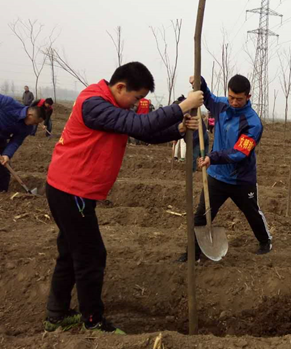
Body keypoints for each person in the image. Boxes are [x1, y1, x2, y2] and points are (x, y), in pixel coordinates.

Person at [43, 62, 204, 335]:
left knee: (71, 253)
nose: (137, 104)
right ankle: (93, 321)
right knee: (91, 256)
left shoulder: (110, 106)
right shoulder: (94, 103)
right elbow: (138, 123)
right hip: (71, 192)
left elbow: (141, 132)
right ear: (120, 87)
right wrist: (181, 106)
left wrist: (177, 128)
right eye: (136, 97)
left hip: (70, 189)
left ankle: (56, 315)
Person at [178, 74, 272, 262]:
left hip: (241, 179)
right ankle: (192, 255)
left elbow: (239, 153)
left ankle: (265, 241)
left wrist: (212, 157)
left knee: (251, 212)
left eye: (239, 99)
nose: (234, 102)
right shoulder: (221, 105)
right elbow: (208, 97)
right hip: (217, 177)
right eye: (231, 97)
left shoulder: (253, 123)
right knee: (201, 217)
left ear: (248, 97)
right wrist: (200, 82)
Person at [0, 94, 46, 191]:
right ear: (30, 115)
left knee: (3, 170)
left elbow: (16, 141)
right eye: (36, 122)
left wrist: (7, 155)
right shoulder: (8, 103)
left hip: (1, 139)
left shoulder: (27, 128)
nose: (36, 125)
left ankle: (3, 193)